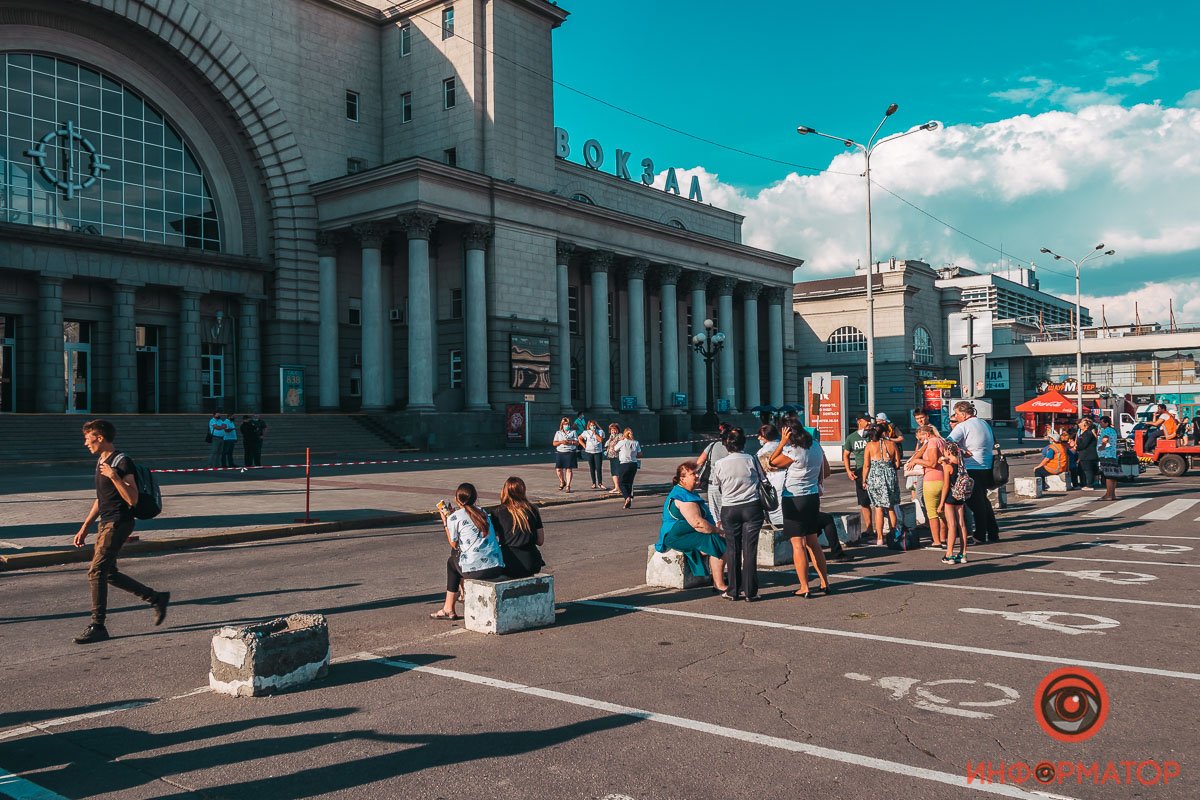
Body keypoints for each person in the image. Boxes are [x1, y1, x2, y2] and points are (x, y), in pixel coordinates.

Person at [72, 419, 169, 644]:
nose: (86, 443)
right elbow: (101, 498)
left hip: (119, 522)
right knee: (109, 573)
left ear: (100, 437)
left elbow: (132, 498)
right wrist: (85, 527)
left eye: (88, 438)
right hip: (105, 522)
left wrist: (114, 476)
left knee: (96, 571)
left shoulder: (121, 461)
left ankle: (98, 625)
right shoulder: (101, 461)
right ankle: (156, 598)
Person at [769, 424, 831, 598]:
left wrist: (782, 443)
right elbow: (826, 470)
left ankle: (804, 586)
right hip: (812, 497)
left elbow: (772, 461)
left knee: (798, 544)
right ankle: (824, 582)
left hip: (793, 498)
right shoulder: (816, 446)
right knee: (813, 542)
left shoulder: (793, 451)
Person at [432, 482, 505, 620]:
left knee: (452, 561)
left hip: (476, 570)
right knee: (459, 557)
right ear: (475, 498)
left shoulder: (454, 517)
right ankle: (462, 593)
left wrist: (446, 522)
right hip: (496, 566)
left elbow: (453, 543)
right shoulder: (483, 512)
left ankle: (448, 608)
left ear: (456, 499)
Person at [710, 427, 765, 601]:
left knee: (732, 549)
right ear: (743, 443)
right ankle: (750, 592)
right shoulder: (752, 459)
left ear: (726, 445)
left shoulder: (720, 464)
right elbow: (763, 479)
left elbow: (716, 484)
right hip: (752, 507)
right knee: (750, 550)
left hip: (730, 508)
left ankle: (733, 591)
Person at [656, 461, 728, 593]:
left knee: (717, 541)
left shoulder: (688, 492)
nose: (697, 476)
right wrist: (719, 531)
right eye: (693, 474)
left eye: (697, 473)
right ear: (682, 479)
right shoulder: (682, 497)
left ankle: (718, 578)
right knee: (718, 542)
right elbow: (698, 523)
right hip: (676, 537)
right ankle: (719, 584)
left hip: (686, 533)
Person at [947, 401, 1000, 544]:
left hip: (972, 467)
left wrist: (961, 451)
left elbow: (948, 442)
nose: (956, 417)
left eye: (957, 414)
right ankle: (993, 532)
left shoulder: (963, 426)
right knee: (983, 501)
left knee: (975, 503)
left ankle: (980, 535)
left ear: (964, 414)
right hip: (987, 466)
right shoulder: (983, 423)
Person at [491, 476, 545, 578]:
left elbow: (495, 540)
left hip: (509, 562)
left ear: (505, 491)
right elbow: (540, 541)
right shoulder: (532, 510)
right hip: (531, 562)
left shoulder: (497, 512)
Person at [862, 424, 902, 547]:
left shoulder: (870, 445)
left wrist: (864, 480)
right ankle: (894, 536)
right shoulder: (892, 444)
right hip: (889, 475)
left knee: (878, 507)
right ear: (884, 433)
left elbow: (866, 465)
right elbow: (897, 463)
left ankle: (879, 538)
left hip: (875, 476)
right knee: (891, 507)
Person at [908, 424, 946, 548]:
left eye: (921, 438)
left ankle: (937, 541)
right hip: (943, 478)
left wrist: (917, 461)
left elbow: (932, 463)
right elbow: (917, 454)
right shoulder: (941, 441)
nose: (920, 441)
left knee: (932, 513)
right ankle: (943, 538)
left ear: (927, 434)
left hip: (932, 479)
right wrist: (924, 445)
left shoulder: (933, 442)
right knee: (942, 511)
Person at [841, 414, 875, 543]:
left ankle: (884, 528)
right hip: (860, 470)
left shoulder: (873, 434)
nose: (868, 423)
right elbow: (846, 454)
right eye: (866, 421)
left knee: (880, 501)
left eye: (869, 421)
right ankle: (869, 529)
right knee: (864, 501)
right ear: (859, 421)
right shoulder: (852, 438)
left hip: (875, 469)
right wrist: (848, 470)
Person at [938, 440, 969, 564]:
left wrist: (941, 503)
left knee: (952, 525)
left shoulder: (948, 467)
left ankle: (949, 554)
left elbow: (946, 486)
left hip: (950, 497)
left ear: (948, 451)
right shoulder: (962, 464)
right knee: (962, 524)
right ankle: (963, 553)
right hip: (960, 496)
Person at [756, 424, 787, 530]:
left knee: (775, 510)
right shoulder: (785, 446)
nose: (758, 438)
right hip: (786, 481)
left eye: (760, 436)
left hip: (771, 483)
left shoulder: (761, 452)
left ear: (766, 437)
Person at [614, 427, 642, 509]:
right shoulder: (636, 442)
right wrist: (633, 455)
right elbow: (640, 454)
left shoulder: (622, 442)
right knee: (630, 482)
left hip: (624, 464)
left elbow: (615, 449)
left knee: (621, 482)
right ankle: (629, 500)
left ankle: (627, 497)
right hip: (633, 464)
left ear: (624, 434)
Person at [552, 416, 580, 493]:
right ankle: (562, 481)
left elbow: (577, 443)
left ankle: (568, 485)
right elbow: (554, 443)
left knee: (569, 469)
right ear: (562, 425)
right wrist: (561, 442)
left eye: (567, 424)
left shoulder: (573, 432)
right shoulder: (558, 433)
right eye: (565, 424)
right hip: (560, 452)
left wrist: (570, 442)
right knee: (558, 469)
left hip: (570, 452)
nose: (566, 426)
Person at [1097, 415, 1120, 501]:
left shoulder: (1106, 430)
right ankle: (1112, 494)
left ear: (1106, 423)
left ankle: (1109, 494)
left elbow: (1105, 440)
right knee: (1113, 476)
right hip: (1112, 454)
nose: (1100, 424)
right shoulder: (1113, 430)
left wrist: (1101, 448)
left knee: (1108, 476)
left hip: (1106, 455)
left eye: (1101, 422)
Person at [578, 420, 606, 489]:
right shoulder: (586, 432)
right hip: (589, 452)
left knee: (598, 467)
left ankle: (600, 483)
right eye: (591, 425)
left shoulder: (600, 431)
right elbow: (579, 438)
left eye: (594, 425)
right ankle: (594, 483)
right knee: (592, 468)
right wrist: (584, 446)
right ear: (589, 426)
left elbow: (600, 440)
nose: (593, 427)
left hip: (598, 452)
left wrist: (595, 433)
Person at [1075, 418, 1100, 490]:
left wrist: (1077, 447)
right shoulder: (1084, 433)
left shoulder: (1088, 433)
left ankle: (1089, 485)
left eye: (1081, 423)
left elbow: (1084, 444)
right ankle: (1085, 483)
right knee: (1085, 470)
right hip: (1085, 454)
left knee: (1088, 470)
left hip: (1087, 455)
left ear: (1085, 425)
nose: (1079, 425)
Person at [604, 422, 623, 494]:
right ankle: (616, 487)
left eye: (615, 430)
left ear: (618, 430)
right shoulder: (611, 437)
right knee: (613, 472)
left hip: (618, 456)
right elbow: (608, 445)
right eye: (612, 430)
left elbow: (622, 443)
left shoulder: (620, 436)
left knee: (618, 472)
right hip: (611, 456)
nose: (613, 431)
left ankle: (619, 487)